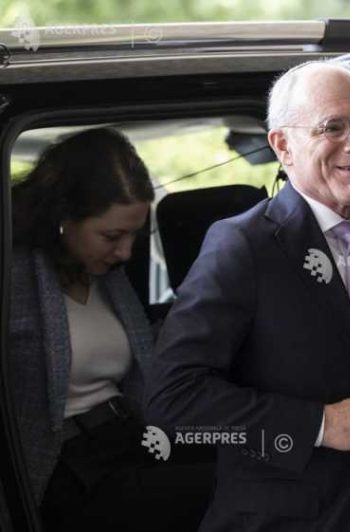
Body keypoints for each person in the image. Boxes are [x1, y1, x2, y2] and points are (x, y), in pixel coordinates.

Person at [146, 61, 350, 532]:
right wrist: (321, 425)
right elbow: (173, 399)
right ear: (283, 145)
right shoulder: (244, 245)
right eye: (333, 127)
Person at [9, 128, 209, 531]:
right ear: (63, 218)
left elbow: (140, 359)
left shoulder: (106, 277)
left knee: (260, 456)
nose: (126, 252)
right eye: (112, 236)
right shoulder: (15, 279)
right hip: (67, 469)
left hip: (129, 437)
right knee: (234, 486)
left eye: (135, 234)